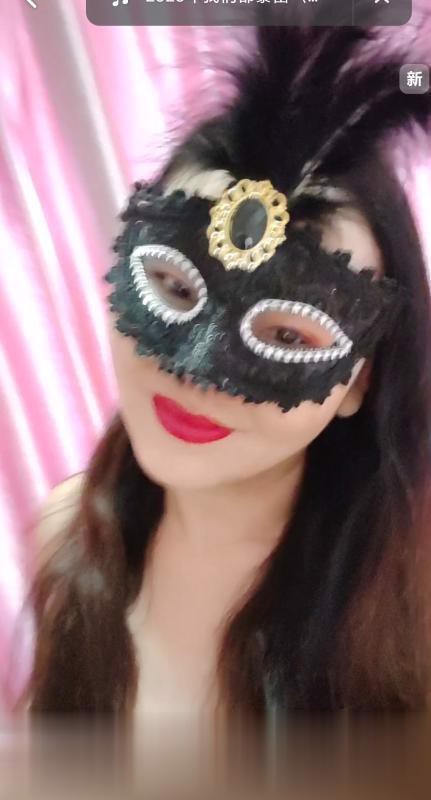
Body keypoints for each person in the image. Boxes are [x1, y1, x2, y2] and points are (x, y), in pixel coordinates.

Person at [26, 26, 431, 718]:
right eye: (173, 287)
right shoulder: (66, 536)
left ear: (359, 382)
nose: (194, 373)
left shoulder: (410, 630)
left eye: (287, 334)